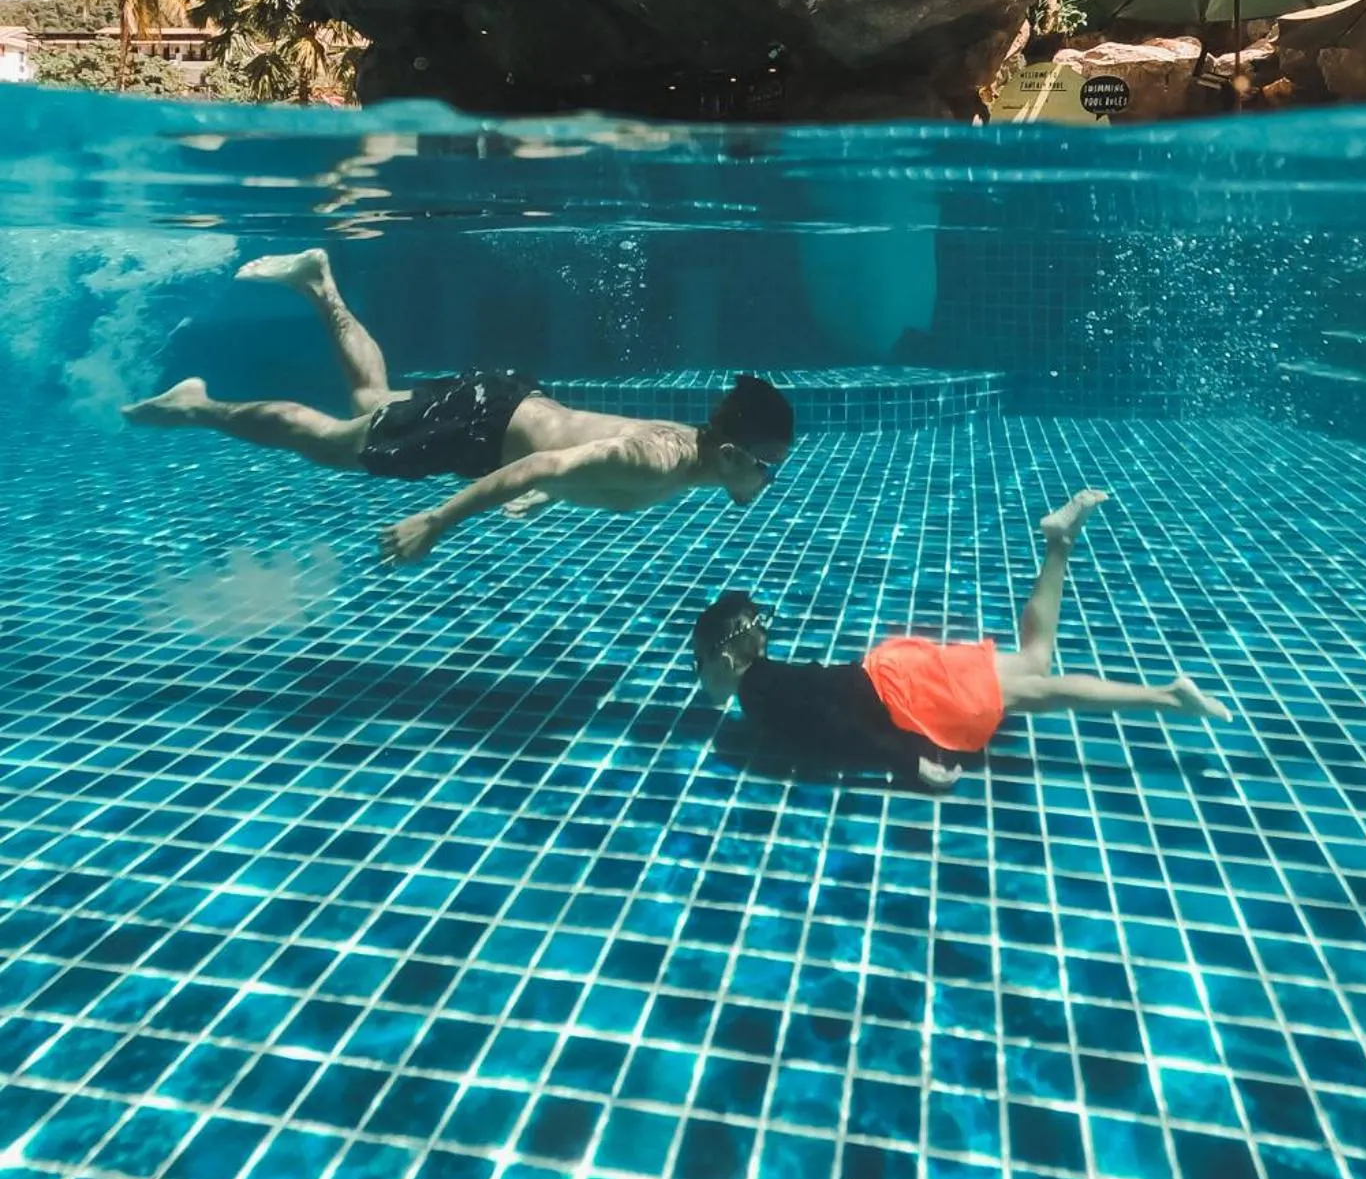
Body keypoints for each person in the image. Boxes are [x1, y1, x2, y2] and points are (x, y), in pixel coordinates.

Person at [123, 248, 795, 567]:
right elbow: (545, 465)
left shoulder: (685, 449)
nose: (771, 481)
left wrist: (554, 490)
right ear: (732, 453)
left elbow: (567, 461)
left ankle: (319, 285)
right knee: (334, 441)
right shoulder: (657, 465)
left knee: (370, 402)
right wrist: (436, 523)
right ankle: (199, 406)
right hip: (484, 427)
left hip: (502, 406)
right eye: (770, 468)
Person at [692, 489, 1230, 791]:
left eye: (699, 666)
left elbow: (828, 730)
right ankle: (1059, 542)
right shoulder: (767, 682)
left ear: (722, 655)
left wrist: (904, 760)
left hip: (904, 696)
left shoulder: (759, 693)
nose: (701, 679)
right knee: (1034, 663)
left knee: (1039, 690)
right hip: (895, 677)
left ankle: (1167, 698)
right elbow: (825, 719)